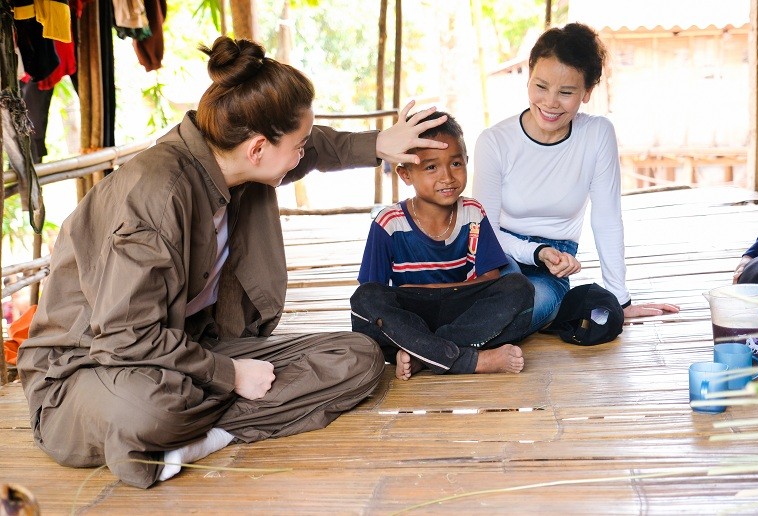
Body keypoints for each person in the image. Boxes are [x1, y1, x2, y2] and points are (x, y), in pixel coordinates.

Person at [16, 36, 450, 489]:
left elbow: (316, 146)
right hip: (91, 368)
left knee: (357, 357)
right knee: (152, 409)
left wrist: (381, 142)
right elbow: (127, 337)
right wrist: (231, 374)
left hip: (188, 349)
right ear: (259, 148)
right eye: (296, 145)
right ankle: (179, 425)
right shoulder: (156, 195)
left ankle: (206, 438)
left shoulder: (236, 161)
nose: (303, 153)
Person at [472, 22, 679, 336]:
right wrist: (536, 251)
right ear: (528, 76)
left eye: (566, 92)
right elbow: (484, 231)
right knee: (495, 299)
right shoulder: (495, 141)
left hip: (551, 271)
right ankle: (448, 344)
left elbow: (607, 218)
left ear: (587, 93)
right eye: (540, 86)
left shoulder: (596, 134)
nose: (551, 102)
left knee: (530, 307)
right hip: (496, 257)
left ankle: (436, 344)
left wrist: (619, 301)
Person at [350, 111, 535, 380]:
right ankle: (470, 360)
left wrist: (436, 290)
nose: (447, 176)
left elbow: (490, 277)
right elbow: (373, 290)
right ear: (405, 174)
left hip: (462, 308)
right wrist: (416, 294)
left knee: (519, 287)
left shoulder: (473, 213)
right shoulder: (388, 223)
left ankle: (425, 355)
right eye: (431, 167)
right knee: (365, 300)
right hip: (411, 313)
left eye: (456, 163)